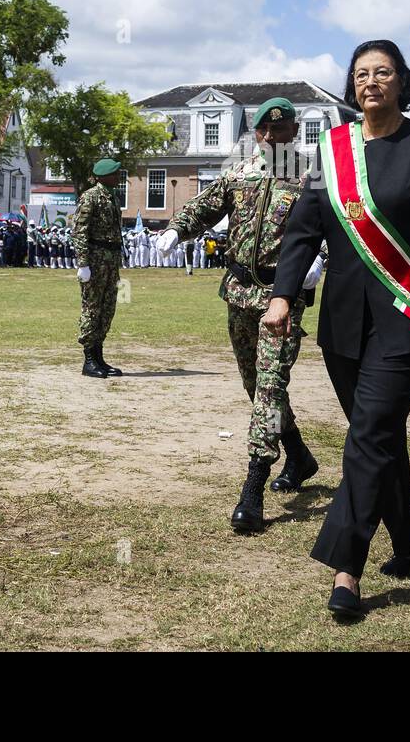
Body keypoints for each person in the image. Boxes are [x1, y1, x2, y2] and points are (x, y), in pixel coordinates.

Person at [265, 39, 410, 619]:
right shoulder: (332, 149)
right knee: (382, 438)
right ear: (352, 85)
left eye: (383, 73)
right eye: (362, 74)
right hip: (344, 322)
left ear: (402, 81)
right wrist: (283, 295)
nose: (372, 82)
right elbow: (303, 231)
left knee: (367, 435)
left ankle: (347, 569)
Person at [157, 97, 324, 533]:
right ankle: (300, 456)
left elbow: (335, 225)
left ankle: (253, 483)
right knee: (255, 383)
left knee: (270, 385)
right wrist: (176, 228)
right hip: (238, 291)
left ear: (292, 130)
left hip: (281, 294)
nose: (270, 138)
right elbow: (207, 205)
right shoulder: (239, 171)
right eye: (263, 132)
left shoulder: (312, 175)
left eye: (279, 130)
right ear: (256, 134)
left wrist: (319, 259)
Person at [73, 158, 126, 377]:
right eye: (115, 174)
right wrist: (83, 263)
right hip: (95, 261)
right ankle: (89, 359)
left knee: (107, 309)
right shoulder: (90, 197)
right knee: (92, 308)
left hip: (110, 260)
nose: (118, 178)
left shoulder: (112, 196)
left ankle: (99, 356)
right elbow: (80, 231)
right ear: (104, 176)